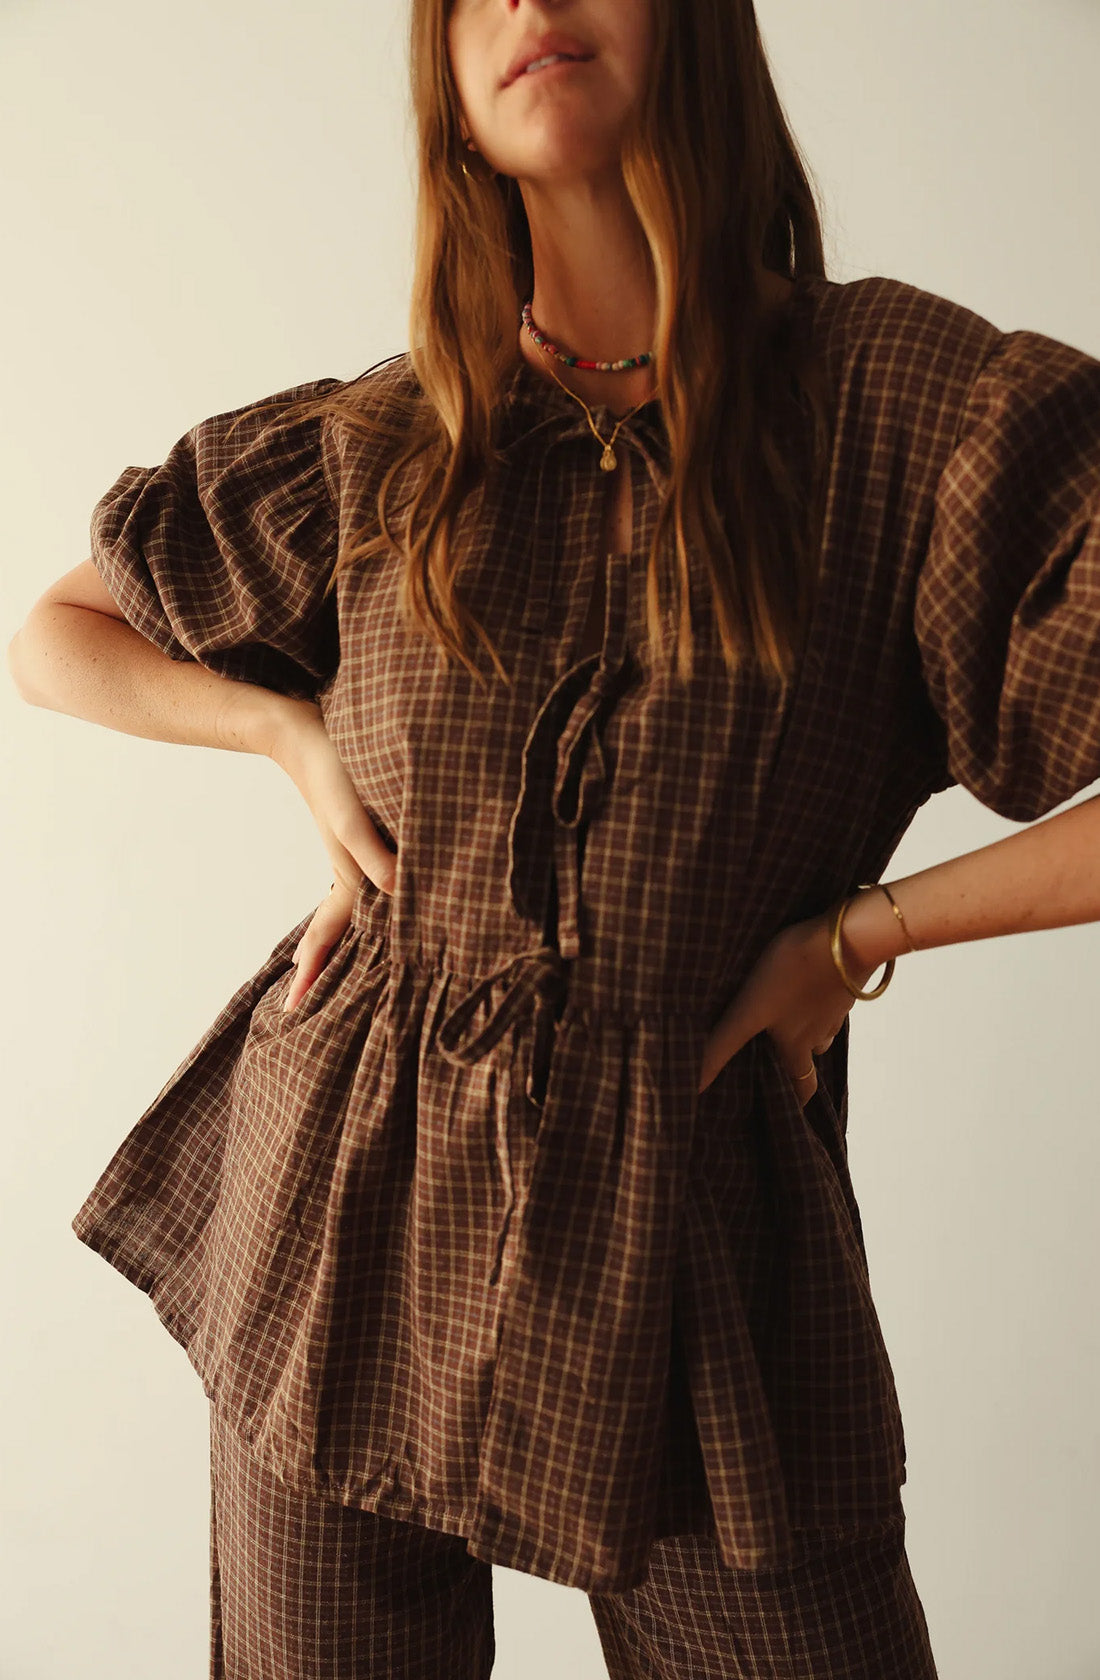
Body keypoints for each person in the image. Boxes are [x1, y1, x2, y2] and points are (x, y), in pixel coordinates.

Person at [8, 0, 1100, 1675]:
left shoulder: (899, 408)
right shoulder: (389, 442)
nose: (530, 5)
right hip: (345, 1217)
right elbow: (57, 630)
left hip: (705, 1251)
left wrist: (852, 939)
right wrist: (286, 731)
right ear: (445, 76)